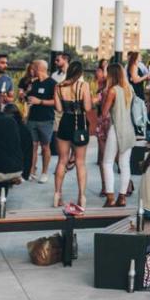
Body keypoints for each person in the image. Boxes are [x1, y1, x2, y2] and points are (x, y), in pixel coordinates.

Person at [53, 61, 92, 208]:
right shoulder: (84, 86)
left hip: (65, 123)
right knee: (80, 162)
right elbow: (87, 108)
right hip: (79, 124)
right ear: (80, 72)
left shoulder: (58, 86)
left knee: (62, 160)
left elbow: (58, 108)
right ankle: (81, 197)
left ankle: (57, 194)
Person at [99, 63, 135, 207]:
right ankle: (122, 197)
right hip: (129, 129)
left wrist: (104, 95)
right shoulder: (129, 88)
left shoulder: (112, 90)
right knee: (124, 164)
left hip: (116, 129)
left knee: (107, 162)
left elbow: (104, 112)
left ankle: (110, 197)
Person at [24, 60, 56, 184]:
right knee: (32, 146)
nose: (32, 71)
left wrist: (40, 101)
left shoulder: (53, 84)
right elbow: (30, 99)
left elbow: (56, 102)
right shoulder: (34, 83)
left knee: (45, 147)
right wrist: (26, 95)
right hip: (32, 119)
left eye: (34, 68)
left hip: (46, 119)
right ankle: (31, 172)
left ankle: (44, 173)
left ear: (39, 68)